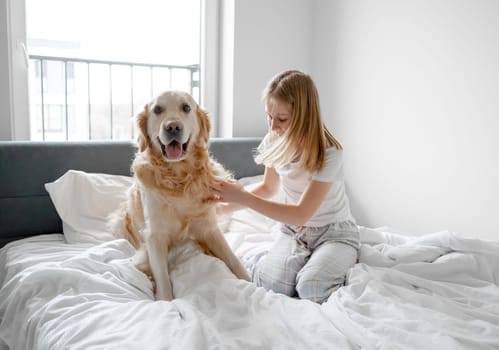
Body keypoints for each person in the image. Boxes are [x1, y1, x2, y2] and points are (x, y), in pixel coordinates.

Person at [213, 70, 360, 304]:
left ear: (304, 116)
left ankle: (331, 260)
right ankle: (293, 261)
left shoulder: (330, 152)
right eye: (269, 116)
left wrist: (242, 197)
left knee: (312, 288)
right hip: (293, 231)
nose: (273, 126)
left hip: (333, 232)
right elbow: (268, 188)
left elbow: (303, 213)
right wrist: (223, 207)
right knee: (273, 285)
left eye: (281, 119)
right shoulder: (273, 140)